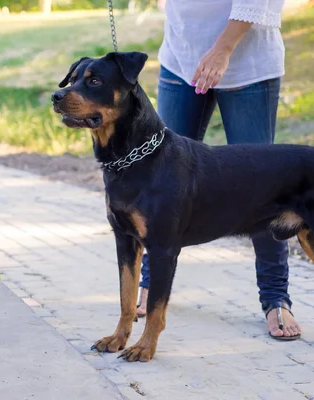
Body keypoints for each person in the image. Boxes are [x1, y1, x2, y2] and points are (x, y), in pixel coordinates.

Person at [136, 0, 301, 340]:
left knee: (267, 188)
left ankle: (275, 298)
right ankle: (151, 286)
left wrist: (222, 50)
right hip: (180, 57)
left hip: (246, 63)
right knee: (158, 185)